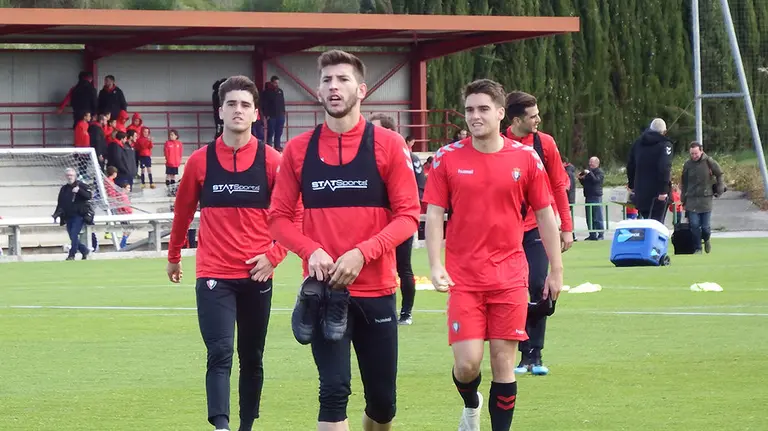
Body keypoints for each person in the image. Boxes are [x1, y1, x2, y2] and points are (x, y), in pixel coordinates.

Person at [268, 49, 420, 431]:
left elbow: (408, 217)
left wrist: (362, 253)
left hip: (377, 290)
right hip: (324, 294)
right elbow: (278, 220)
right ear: (318, 91)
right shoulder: (298, 150)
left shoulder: (388, 145)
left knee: (383, 404)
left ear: (362, 90)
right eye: (326, 80)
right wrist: (311, 249)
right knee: (333, 392)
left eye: (343, 79)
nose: (333, 87)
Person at [424, 79, 564, 431]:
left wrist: (556, 270)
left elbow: (545, 214)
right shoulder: (447, 157)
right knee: (468, 364)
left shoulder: (526, 158)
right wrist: (436, 265)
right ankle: (471, 404)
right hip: (465, 279)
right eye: (470, 109)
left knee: (503, 362)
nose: (475, 116)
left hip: (509, 277)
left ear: (501, 113)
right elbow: (435, 214)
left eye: (483, 109)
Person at [166, 75, 293, 431]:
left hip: (258, 274)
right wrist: (174, 255)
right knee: (219, 353)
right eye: (231, 104)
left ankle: (246, 426)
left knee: (251, 357)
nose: (238, 110)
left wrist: (274, 255)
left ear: (256, 115)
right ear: (220, 110)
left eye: (245, 105)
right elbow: (183, 212)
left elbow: (293, 215)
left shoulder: (272, 160)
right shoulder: (199, 161)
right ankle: (221, 427)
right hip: (213, 274)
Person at [503, 91, 573, 376]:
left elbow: (558, 185)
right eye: (533, 116)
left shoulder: (545, 144)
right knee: (511, 291)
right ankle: (514, 350)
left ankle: (533, 353)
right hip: (504, 230)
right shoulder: (497, 143)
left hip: (536, 227)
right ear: (517, 119)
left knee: (537, 284)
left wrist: (566, 227)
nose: (538, 120)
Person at [369, 114, 426, 326]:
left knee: (403, 267)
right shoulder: (366, 155)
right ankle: (381, 312)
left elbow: (418, 189)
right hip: (375, 225)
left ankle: (406, 312)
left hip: (399, 223)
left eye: (375, 129)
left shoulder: (407, 156)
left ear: (389, 131)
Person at [681, 141, 725, 254]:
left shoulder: (709, 162)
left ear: (701, 151)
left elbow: (719, 173)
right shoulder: (687, 165)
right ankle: (697, 248)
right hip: (691, 199)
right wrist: (683, 199)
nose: (694, 156)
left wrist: (720, 187)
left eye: (696, 153)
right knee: (694, 226)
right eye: (691, 154)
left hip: (706, 199)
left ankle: (706, 239)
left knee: (705, 227)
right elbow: (684, 183)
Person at [627, 118, 673, 222]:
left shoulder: (638, 143)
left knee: (646, 221)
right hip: (657, 193)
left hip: (640, 192)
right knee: (657, 225)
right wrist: (663, 190)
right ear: (664, 131)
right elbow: (664, 167)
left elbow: (630, 166)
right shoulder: (665, 145)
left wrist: (632, 186)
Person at [53, 168, 93, 261]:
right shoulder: (64, 189)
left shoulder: (81, 185)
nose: (69, 177)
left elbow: (89, 196)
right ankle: (84, 250)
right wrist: (56, 214)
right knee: (72, 236)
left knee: (74, 235)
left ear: (75, 176)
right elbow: (60, 202)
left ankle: (72, 255)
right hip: (68, 216)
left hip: (78, 215)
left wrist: (79, 191)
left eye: (71, 175)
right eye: (68, 175)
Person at [578, 156, 605, 241]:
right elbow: (585, 183)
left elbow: (596, 181)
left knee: (597, 216)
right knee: (589, 217)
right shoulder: (589, 173)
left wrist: (589, 173)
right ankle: (592, 234)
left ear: (597, 163)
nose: (590, 164)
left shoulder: (600, 172)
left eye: (592, 162)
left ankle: (600, 234)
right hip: (588, 196)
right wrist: (581, 179)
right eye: (589, 162)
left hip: (596, 196)